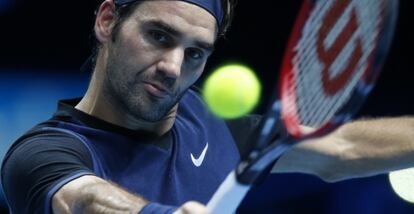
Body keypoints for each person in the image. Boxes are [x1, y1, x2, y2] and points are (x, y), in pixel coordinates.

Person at [1, 0, 254, 213]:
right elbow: (84, 198)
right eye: (159, 36)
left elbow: (290, 140)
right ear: (107, 20)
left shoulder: (210, 119)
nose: (173, 68)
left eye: (194, 53)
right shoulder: (40, 154)